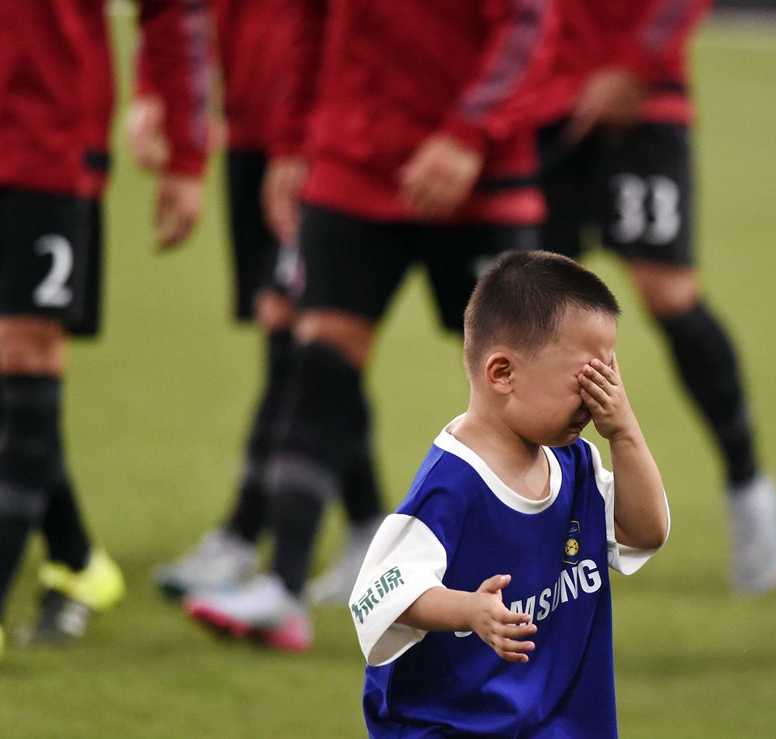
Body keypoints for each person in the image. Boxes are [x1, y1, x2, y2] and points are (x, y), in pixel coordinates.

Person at [181, 0, 556, 651]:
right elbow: (311, 22)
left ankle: (536, 596)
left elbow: (530, 23)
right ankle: (283, 587)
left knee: (522, 382)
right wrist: (294, 139)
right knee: (321, 359)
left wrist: (469, 133)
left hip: (480, 170)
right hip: (355, 158)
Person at [0, 0, 210, 668]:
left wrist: (186, 154)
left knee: (26, 350)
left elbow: (171, 13)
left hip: (51, 146)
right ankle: (75, 557)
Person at [127, 0, 385, 605]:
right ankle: (366, 528)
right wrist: (155, 87)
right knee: (298, 333)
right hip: (249, 125)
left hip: (318, 132)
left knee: (299, 329)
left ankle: (246, 532)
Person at [350, 251, 668, 736]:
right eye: (585, 378)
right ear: (503, 373)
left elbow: (646, 530)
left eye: (608, 378)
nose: (598, 398)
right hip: (453, 725)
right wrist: (468, 610)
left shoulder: (575, 463)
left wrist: (623, 432)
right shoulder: (451, 485)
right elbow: (378, 597)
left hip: (559, 722)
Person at [531, 0, 776, 593]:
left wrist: (636, 65)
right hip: (543, 101)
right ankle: (527, 516)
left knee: (668, 295)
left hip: (639, 104)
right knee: (529, 311)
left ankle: (748, 488)